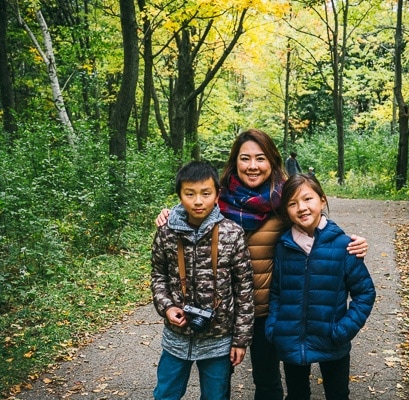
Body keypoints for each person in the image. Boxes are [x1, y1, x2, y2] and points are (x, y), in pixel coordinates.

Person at [155, 128, 369, 400]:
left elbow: (314, 221)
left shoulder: (283, 201)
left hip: (267, 310)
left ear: (272, 161)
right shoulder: (218, 199)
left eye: (260, 158)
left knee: (267, 383)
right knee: (219, 385)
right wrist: (170, 214)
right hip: (221, 310)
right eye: (245, 158)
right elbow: (193, 204)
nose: (252, 166)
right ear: (235, 161)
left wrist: (352, 241)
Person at [265, 173, 376, 400]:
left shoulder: (344, 246)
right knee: (297, 395)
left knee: (337, 394)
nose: (301, 208)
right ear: (286, 209)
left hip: (333, 340)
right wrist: (274, 326)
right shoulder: (284, 246)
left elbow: (365, 293)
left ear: (322, 200)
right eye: (292, 203)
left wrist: (343, 330)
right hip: (290, 340)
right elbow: (276, 290)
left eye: (308, 199)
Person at [150, 161, 254, 400]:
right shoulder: (167, 232)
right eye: (190, 194)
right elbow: (158, 274)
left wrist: (240, 339)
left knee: (216, 396)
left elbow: (244, 290)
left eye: (205, 193)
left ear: (217, 194)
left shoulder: (232, 233)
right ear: (179, 195)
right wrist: (166, 307)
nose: (198, 201)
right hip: (177, 336)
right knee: (165, 394)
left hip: (219, 338)